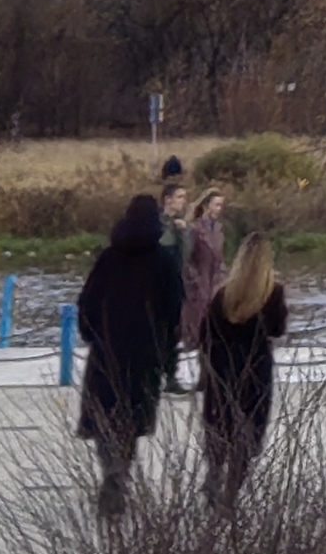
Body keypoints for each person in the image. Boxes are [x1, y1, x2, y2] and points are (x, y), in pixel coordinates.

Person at [75, 194, 186, 520]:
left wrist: (93, 335)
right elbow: (173, 313)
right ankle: (119, 473)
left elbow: (87, 303)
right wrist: (168, 360)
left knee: (105, 418)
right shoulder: (164, 261)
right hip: (144, 357)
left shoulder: (109, 258)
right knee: (131, 422)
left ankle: (111, 472)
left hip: (107, 352)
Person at [198, 232, 293, 510]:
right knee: (249, 431)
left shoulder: (223, 295)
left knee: (219, 425)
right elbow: (277, 329)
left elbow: (205, 335)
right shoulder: (273, 293)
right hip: (255, 369)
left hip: (222, 369)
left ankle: (214, 474)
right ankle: (231, 494)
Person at [179, 190, 230, 374]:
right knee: (197, 331)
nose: (219, 209)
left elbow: (220, 258)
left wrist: (226, 277)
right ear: (207, 205)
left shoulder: (219, 229)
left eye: (221, 205)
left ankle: (211, 373)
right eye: (216, 204)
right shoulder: (194, 229)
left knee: (216, 332)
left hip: (216, 284)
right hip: (198, 287)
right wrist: (195, 281)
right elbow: (186, 260)